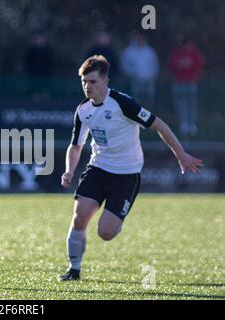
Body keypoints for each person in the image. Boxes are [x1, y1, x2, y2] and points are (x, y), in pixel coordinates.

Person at [59, 55, 203, 281]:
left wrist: (181, 155)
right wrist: (69, 170)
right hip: (97, 169)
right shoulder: (83, 110)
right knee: (79, 217)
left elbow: (159, 125)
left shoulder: (122, 103)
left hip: (126, 175)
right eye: (84, 82)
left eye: (93, 81)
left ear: (105, 81)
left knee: (106, 232)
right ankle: (74, 269)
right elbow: (75, 146)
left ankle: (116, 221)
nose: (87, 86)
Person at [168, 35, 204, 137]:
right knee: (181, 104)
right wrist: (180, 65)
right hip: (179, 82)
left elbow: (199, 65)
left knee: (191, 104)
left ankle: (191, 123)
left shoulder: (194, 53)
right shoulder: (176, 53)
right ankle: (183, 123)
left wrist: (194, 74)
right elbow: (172, 66)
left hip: (191, 82)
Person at [120, 33, 159, 109]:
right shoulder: (129, 51)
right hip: (135, 80)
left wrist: (154, 74)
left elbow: (155, 64)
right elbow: (124, 64)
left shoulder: (150, 51)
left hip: (148, 79)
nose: (141, 41)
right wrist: (131, 73)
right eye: (139, 39)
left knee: (149, 97)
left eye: (142, 39)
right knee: (136, 97)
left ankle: (148, 113)